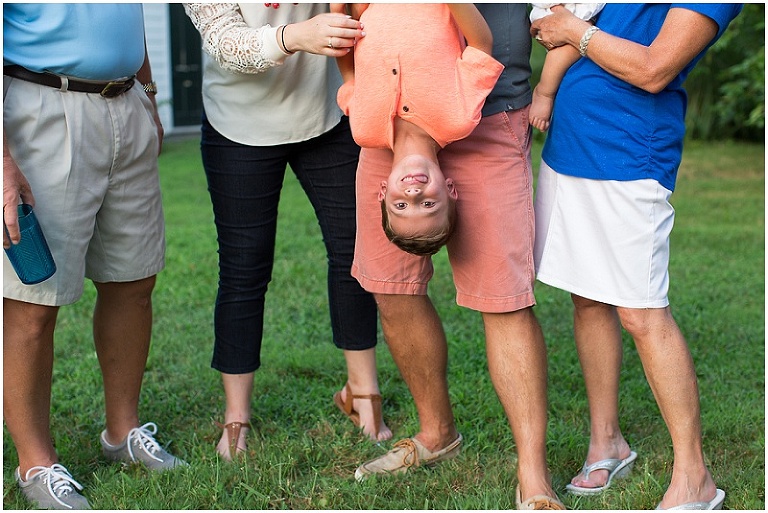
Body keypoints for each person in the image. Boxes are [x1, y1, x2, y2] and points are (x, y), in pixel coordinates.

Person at [350, 4, 564, 510]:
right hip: (386, 126)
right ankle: (435, 433)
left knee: (503, 297)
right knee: (389, 284)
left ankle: (533, 474)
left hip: (488, 111)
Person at [530, 3, 742, 509]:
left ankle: (695, 479)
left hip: (628, 155)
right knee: (588, 298)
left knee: (643, 313)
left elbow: (654, 69)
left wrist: (574, 32)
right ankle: (607, 442)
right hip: (569, 148)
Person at [182, 2, 392, 459]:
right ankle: (236, 416)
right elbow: (226, 43)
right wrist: (296, 36)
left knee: (352, 253)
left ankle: (363, 393)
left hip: (325, 112)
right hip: (237, 124)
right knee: (243, 269)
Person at [3, 3, 187, 510]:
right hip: (40, 110)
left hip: (124, 105)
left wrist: (147, 93)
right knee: (34, 301)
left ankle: (121, 432)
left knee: (134, 281)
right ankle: (35, 462)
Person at [334, 3, 503, 256]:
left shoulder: (363, 130)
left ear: (383, 192)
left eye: (400, 205)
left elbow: (351, 76)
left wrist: (340, 14)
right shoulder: (458, 120)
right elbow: (481, 46)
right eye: (428, 204)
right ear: (450, 190)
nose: (413, 193)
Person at [528, 3, 605, 132]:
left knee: (582, 36)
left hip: (576, 13)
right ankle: (544, 93)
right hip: (561, 12)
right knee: (579, 39)